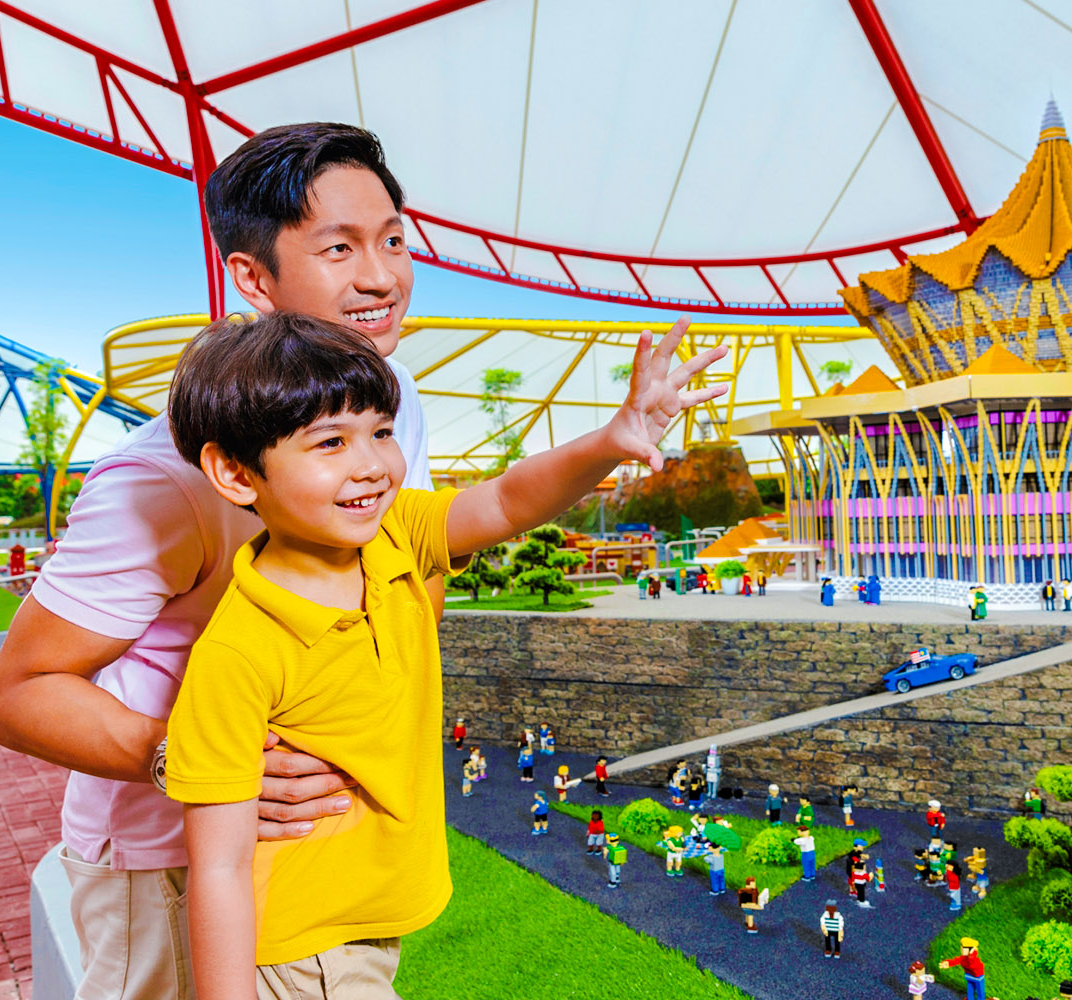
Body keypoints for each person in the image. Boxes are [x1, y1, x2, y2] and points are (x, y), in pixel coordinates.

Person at [0, 122, 449, 1000]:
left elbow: (410, 572)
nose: (383, 276)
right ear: (253, 277)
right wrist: (189, 760)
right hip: (165, 862)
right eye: (339, 248)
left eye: (392, 239)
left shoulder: (392, 403)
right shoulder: (158, 477)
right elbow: (15, 698)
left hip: (322, 856)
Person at [160, 312, 724, 994]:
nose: (372, 464)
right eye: (330, 441)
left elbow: (510, 499)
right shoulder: (240, 649)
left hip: (362, 926)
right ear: (234, 471)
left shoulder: (395, 533)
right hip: (301, 949)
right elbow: (216, 866)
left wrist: (613, 439)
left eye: (382, 432)